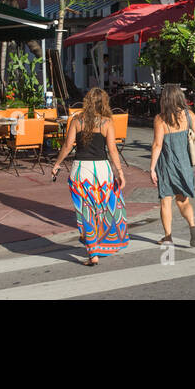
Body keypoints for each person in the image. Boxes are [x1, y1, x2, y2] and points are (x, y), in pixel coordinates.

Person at [52, 87, 128, 265]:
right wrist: (120, 172)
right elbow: (112, 150)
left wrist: (57, 164)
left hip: (81, 170)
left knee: (85, 211)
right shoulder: (107, 122)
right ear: (104, 103)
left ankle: (92, 252)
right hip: (102, 170)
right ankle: (102, 244)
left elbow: (67, 145)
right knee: (103, 209)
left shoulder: (77, 120)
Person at [149, 84, 195, 247]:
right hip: (184, 164)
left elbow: (157, 145)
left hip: (166, 165)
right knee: (182, 200)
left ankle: (168, 236)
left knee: (166, 201)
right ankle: (192, 227)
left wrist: (152, 168)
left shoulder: (160, 119)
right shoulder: (189, 115)